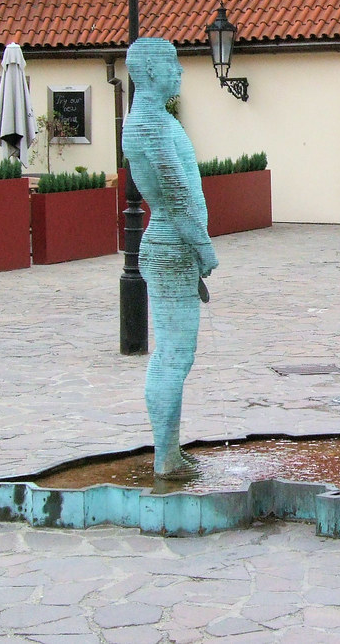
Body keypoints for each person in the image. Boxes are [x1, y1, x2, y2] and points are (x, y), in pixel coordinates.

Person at [122, 38, 219, 478]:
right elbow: (176, 193)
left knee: (177, 352)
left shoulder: (150, 119)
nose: (180, 72)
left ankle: (170, 450)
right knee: (173, 354)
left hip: (171, 244)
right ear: (152, 71)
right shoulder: (150, 125)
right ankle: (165, 456)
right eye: (173, 64)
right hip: (171, 243)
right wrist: (204, 248)